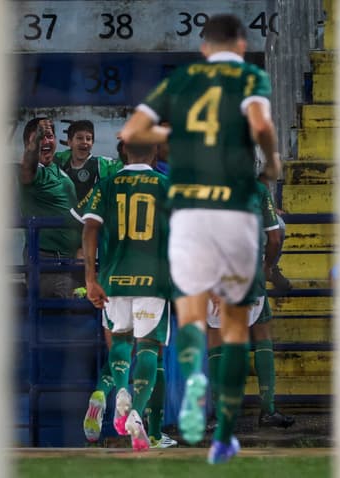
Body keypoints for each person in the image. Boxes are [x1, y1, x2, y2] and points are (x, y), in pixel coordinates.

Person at [119, 14, 281, 464]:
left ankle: (194, 381)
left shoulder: (186, 79)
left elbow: (132, 133)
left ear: (204, 47)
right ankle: (225, 435)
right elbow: (263, 127)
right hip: (233, 210)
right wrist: (272, 163)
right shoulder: (250, 77)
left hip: (189, 212)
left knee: (192, 316)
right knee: (233, 326)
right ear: (242, 45)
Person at [78, 142, 172, 451]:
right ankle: (135, 416)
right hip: (154, 279)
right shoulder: (165, 185)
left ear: (124, 152)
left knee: (120, 340)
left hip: (114, 278)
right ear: (155, 150)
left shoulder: (107, 184)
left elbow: (89, 228)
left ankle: (119, 391)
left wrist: (91, 278)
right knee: (148, 348)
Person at [207, 180, 295, 430]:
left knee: (216, 339)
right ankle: (267, 410)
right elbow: (275, 237)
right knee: (262, 334)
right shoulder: (258, 189)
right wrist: (267, 267)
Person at [19, 117, 81, 298]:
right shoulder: (32, 172)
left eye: (50, 136)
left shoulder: (55, 168)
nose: (46, 141)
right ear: (28, 144)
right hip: (47, 261)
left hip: (69, 261)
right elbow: (27, 171)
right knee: (51, 319)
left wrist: (80, 248)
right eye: (40, 138)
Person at [54, 120, 123, 201]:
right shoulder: (60, 161)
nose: (84, 142)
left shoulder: (101, 164)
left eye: (88, 139)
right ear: (69, 142)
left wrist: (127, 144)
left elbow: (123, 165)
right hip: (64, 212)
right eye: (79, 138)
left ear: (92, 142)